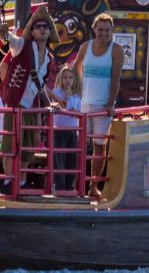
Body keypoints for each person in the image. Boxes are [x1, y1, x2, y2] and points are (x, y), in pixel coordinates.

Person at [0, 11, 54, 153]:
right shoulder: (22, 45)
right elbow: (6, 37)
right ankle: (9, 177)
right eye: (38, 26)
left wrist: (49, 102)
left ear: (50, 31)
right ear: (33, 31)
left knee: (27, 153)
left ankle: (22, 176)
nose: (42, 29)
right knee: (10, 149)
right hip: (15, 104)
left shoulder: (49, 58)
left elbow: (40, 85)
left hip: (31, 107)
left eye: (45, 26)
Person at [74, 12, 125, 142]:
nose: (104, 33)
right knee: (81, 143)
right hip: (85, 103)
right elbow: (76, 68)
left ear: (112, 30)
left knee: (99, 145)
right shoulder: (85, 47)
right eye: (100, 29)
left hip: (103, 105)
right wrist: (79, 91)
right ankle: (81, 163)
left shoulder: (117, 50)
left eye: (107, 30)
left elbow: (116, 79)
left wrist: (110, 104)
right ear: (94, 29)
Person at [47, 66, 83, 196]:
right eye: (65, 77)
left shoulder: (77, 95)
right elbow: (62, 107)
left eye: (71, 78)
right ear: (61, 79)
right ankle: (60, 186)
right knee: (59, 158)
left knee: (71, 158)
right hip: (59, 129)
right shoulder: (56, 91)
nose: (68, 80)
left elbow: (76, 112)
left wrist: (70, 100)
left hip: (72, 130)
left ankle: (69, 186)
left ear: (75, 80)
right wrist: (66, 98)